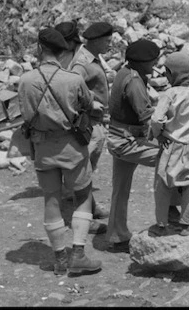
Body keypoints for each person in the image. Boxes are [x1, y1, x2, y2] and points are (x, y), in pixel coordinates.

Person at [17, 28, 103, 275]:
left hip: (42, 148)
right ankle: (78, 254)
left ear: (40, 49)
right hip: (72, 148)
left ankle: (60, 259)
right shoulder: (72, 79)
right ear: (62, 50)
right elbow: (88, 106)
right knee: (82, 196)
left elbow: (24, 114)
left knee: (51, 200)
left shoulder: (25, 80)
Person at [106, 39, 164, 252]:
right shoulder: (134, 82)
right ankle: (168, 219)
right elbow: (146, 116)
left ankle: (116, 235)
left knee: (120, 190)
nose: (155, 65)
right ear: (142, 62)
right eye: (153, 61)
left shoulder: (125, 72)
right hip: (127, 141)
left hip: (117, 137)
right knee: (168, 160)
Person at [149, 52, 189, 237]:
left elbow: (157, 118)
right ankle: (185, 225)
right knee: (188, 185)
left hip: (172, 145)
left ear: (170, 73)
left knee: (163, 185)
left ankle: (161, 226)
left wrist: (158, 135)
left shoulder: (170, 93)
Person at [70, 21, 114, 225]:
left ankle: (89, 207)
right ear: (95, 41)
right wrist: (90, 103)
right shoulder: (82, 63)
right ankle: (85, 215)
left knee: (88, 169)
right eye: (107, 41)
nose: (110, 45)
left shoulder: (93, 58)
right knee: (84, 171)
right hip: (89, 122)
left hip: (98, 122)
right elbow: (72, 88)